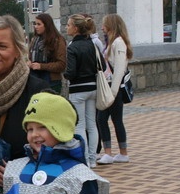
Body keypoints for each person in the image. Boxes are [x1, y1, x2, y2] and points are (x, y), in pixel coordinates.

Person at [0, 15, 49, 162]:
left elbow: (54, 147)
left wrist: (18, 173)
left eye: (2, 46)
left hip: (24, 182)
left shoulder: (38, 92)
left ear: (17, 51)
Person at [64, 13, 105, 168]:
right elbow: (103, 66)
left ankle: (85, 160)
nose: (66, 28)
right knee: (91, 124)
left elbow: (71, 72)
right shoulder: (92, 44)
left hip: (78, 89)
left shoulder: (72, 47)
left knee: (80, 125)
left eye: (68, 25)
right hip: (93, 87)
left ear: (75, 28)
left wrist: (65, 74)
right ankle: (93, 159)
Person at [96, 14, 132, 164]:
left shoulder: (118, 43)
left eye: (104, 24)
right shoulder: (111, 42)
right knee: (107, 119)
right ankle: (113, 152)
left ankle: (117, 152)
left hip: (113, 87)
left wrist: (113, 91)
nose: (102, 27)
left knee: (110, 119)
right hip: (109, 86)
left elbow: (119, 69)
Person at [28, 13, 67, 93]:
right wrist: (28, 63)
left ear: (47, 25)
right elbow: (29, 57)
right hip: (34, 78)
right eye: (35, 24)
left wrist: (41, 66)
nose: (36, 27)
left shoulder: (58, 40)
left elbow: (61, 65)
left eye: (39, 24)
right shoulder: (34, 40)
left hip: (51, 80)